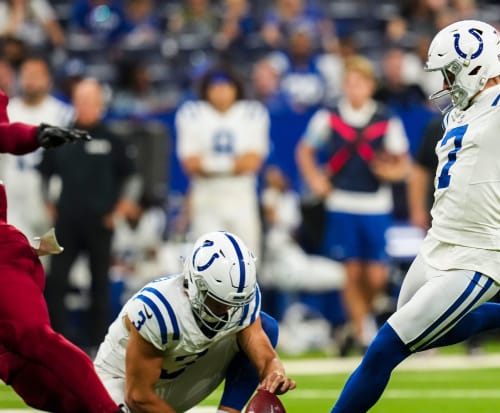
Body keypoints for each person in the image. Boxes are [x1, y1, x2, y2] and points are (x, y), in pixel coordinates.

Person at [329, 19, 500, 413]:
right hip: (435, 246)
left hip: (475, 256)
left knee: (384, 348)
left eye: (449, 74)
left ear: (472, 67)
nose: (445, 84)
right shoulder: (458, 115)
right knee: (418, 332)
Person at [0, 88, 126, 412]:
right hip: (45, 235)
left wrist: (36, 134)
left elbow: (7, 135)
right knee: (26, 375)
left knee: (34, 339)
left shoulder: (110, 139)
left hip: (9, 252)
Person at [94, 230, 296, 412]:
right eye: (217, 302)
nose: (226, 311)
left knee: (266, 326)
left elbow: (262, 350)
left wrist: (274, 372)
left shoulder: (238, 297)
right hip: (124, 382)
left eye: (232, 304)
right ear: (195, 283)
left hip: (179, 372)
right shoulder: (159, 309)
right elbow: (138, 397)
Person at [296, 55, 411, 354]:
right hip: (341, 202)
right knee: (350, 272)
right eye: (349, 83)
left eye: (359, 83)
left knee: (376, 275)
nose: (354, 89)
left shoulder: (385, 119)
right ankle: (362, 335)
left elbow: (402, 164)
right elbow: (305, 150)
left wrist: (391, 172)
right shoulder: (329, 117)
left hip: (375, 204)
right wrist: (315, 181)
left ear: (370, 86)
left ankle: (359, 323)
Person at [38, 78, 141, 350]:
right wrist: (47, 203)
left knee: (100, 285)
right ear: (74, 102)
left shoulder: (112, 139)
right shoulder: (60, 136)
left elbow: (132, 178)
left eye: (90, 100)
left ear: (99, 104)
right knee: (56, 281)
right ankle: (56, 341)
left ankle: (98, 345)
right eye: (80, 100)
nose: (84, 105)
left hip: (100, 223)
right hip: (65, 223)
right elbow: (43, 174)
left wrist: (118, 210)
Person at [175, 66, 269, 258]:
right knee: (205, 264)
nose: (221, 92)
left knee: (247, 262)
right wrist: (234, 164)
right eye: (216, 87)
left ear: (236, 89)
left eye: (226, 87)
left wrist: (208, 163)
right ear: (206, 90)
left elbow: (252, 162)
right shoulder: (192, 113)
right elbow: (190, 164)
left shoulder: (252, 112)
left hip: (241, 197)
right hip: (207, 198)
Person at [3, 56, 74, 241]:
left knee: (54, 261)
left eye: (36, 75)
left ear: (48, 79)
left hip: (52, 198)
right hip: (15, 198)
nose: (30, 80)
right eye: (26, 75)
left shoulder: (64, 115)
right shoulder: (8, 112)